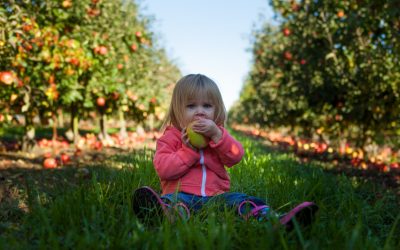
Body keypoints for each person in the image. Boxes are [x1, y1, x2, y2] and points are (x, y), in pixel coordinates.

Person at [132, 74, 318, 229]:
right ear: (176, 110)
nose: (200, 112)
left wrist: (217, 136)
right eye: (191, 106)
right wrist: (188, 151)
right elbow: (164, 170)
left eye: (207, 106)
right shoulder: (170, 138)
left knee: (241, 201)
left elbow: (236, 156)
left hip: (217, 197)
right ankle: (164, 215)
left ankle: (274, 220)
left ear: (216, 110)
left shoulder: (218, 135)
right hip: (181, 194)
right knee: (173, 202)